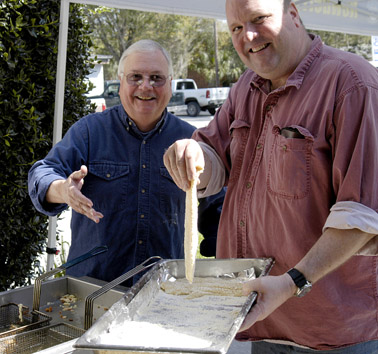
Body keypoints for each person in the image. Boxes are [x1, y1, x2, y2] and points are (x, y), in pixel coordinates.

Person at [163, 0, 378, 352]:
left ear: (292, 13)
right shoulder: (245, 87)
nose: (247, 35)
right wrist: (192, 155)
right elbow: (214, 158)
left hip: (334, 330)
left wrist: (292, 283)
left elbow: (363, 216)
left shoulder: (352, 84)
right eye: (235, 28)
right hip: (262, 318)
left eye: (259, 19)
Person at [28, 39, 224, 286]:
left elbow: (220, 210)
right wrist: (62, 190)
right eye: (135, 77)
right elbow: (42, 173)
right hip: (91, 294)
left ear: (170, 85)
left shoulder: (191, 142)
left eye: (156, 78)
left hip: (164, 294)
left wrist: (227, 263)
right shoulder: (88, 132)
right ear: (120, 82)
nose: (146, 86)